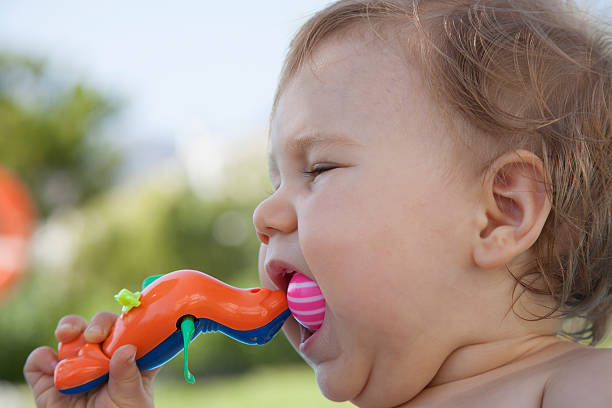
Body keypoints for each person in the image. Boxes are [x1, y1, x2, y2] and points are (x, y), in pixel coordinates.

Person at [24, 0, 611, 406]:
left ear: (500, 214)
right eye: (274, 179)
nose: (265, 213)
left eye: (320, 168)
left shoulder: (580, 388)